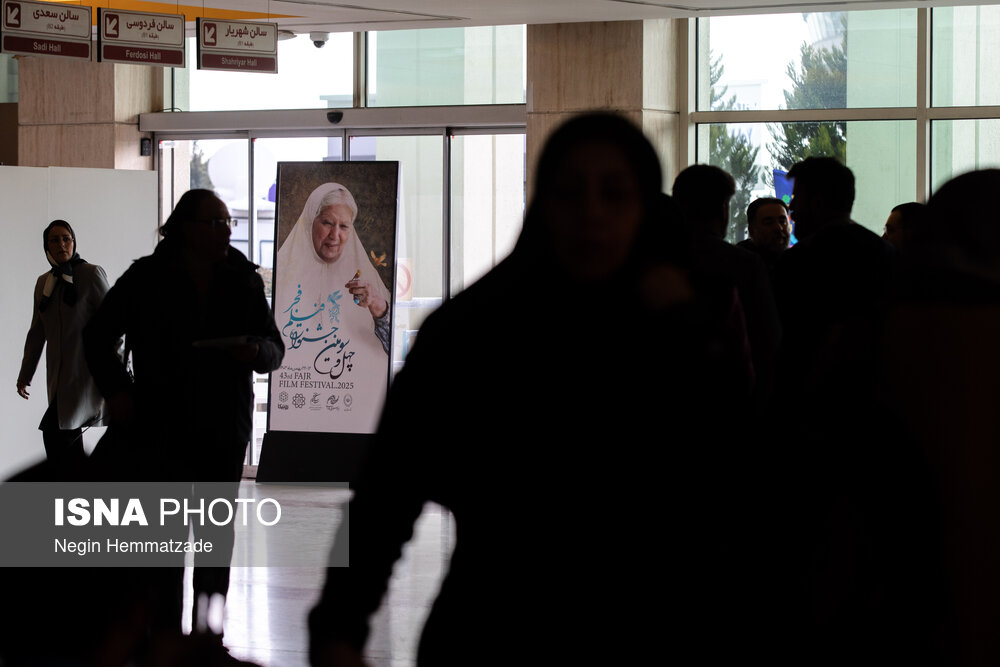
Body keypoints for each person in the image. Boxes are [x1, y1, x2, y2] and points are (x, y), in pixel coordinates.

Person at [308, 113, 760, 666]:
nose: (591, 213)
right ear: (544, 203)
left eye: (614, 194)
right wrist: (337, 629)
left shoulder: (677, 332)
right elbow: (386, 499)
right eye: (570, 192)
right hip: (496, 630)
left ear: (643, 207)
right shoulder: (473, 332)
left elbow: (735, 489)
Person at [83, 189, 284, 635]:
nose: (226, 231)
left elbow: (275, 347)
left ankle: (208, 638)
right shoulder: (146, 277)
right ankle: (164, 640)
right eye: (215, 223)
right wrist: (118, 391)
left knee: (216, 541)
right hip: (160, 428)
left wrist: (254, 351)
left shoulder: (243, 278)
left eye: (228, 223)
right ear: (185, 228)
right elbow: (97, 337)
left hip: (222, 428)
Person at [273, 183, 391, 435]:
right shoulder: (283, 273)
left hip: (358, 417)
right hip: (296, 413)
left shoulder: (366, 279)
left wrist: (378, 308)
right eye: (327, 222)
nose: (335, 235)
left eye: (344, 226)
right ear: (309, 222)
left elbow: (395, 348)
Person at [17, 219, 110, 463]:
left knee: (57, 432)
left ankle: (73, 491)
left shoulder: (90, 274)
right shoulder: (44, 283)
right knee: (65, 438)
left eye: (66, 238)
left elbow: (113, 325)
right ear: (46, 246)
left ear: (73, 241)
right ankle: (77, 491)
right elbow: (37, 332)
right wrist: (25, 375)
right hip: (58, 378)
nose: (61, 244)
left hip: (86, 375)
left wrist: (117, 374)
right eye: (54, 240)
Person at [738, 197, 791, 272]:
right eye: (768, 223)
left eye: (782, 221)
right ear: (751, 230)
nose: (779, 228)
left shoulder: (798, 261)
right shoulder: (736, 263)